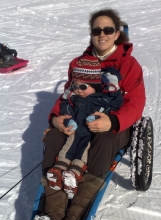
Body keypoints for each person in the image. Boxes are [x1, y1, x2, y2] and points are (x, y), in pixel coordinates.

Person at [32, 8, 146, 220]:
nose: (101, 34)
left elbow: (136, 102)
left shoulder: (129, 64)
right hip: (77, 120)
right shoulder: (79, 63)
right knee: (54, 137)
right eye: (96, 30)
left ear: (117, 34)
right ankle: (53, 215)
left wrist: (113, 121)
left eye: (108, 30)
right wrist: (55, 118)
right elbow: (65, 96)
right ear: (91, 34)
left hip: (112, 125)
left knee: (103, 141)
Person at [46, 61, 123, 198]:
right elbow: (66, 107)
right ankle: (58, 170)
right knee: (67, 148)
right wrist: (69, 119)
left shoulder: (102, 99)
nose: (78, 90)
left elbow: (116, 103)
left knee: (83, 152)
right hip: (75, 131)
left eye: (83, 86)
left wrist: (113, 84)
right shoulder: (74, 98)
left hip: (90, 133)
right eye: (75, 86)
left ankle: (74, 174)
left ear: (95, 86)